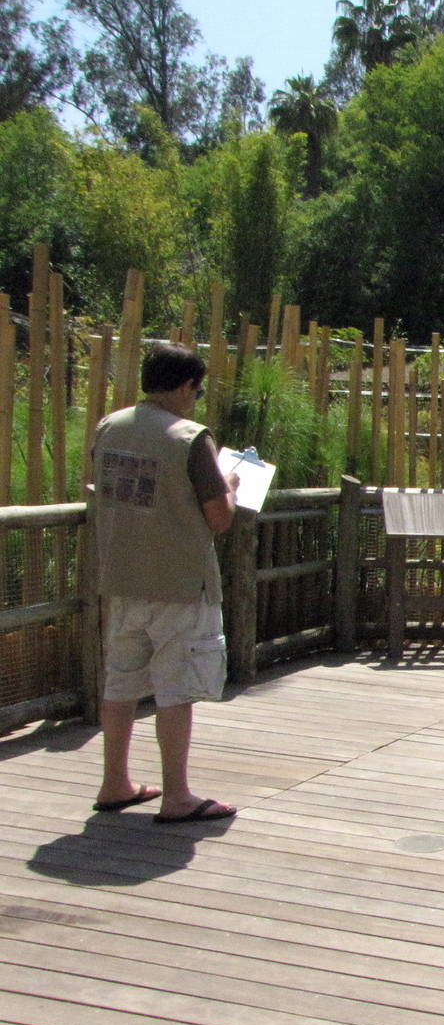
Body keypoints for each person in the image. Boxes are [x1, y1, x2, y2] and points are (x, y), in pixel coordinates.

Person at [90, 343, 240, 823]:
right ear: (183, 385)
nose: (196, 399)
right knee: (176, 689)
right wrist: (232, 486)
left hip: (121, 576)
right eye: (197, 389)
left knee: (121, 683)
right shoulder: (190, 438)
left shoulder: (109, 426)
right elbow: (218, 518)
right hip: (178, 582)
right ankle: (177, 795)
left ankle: (115, 782)